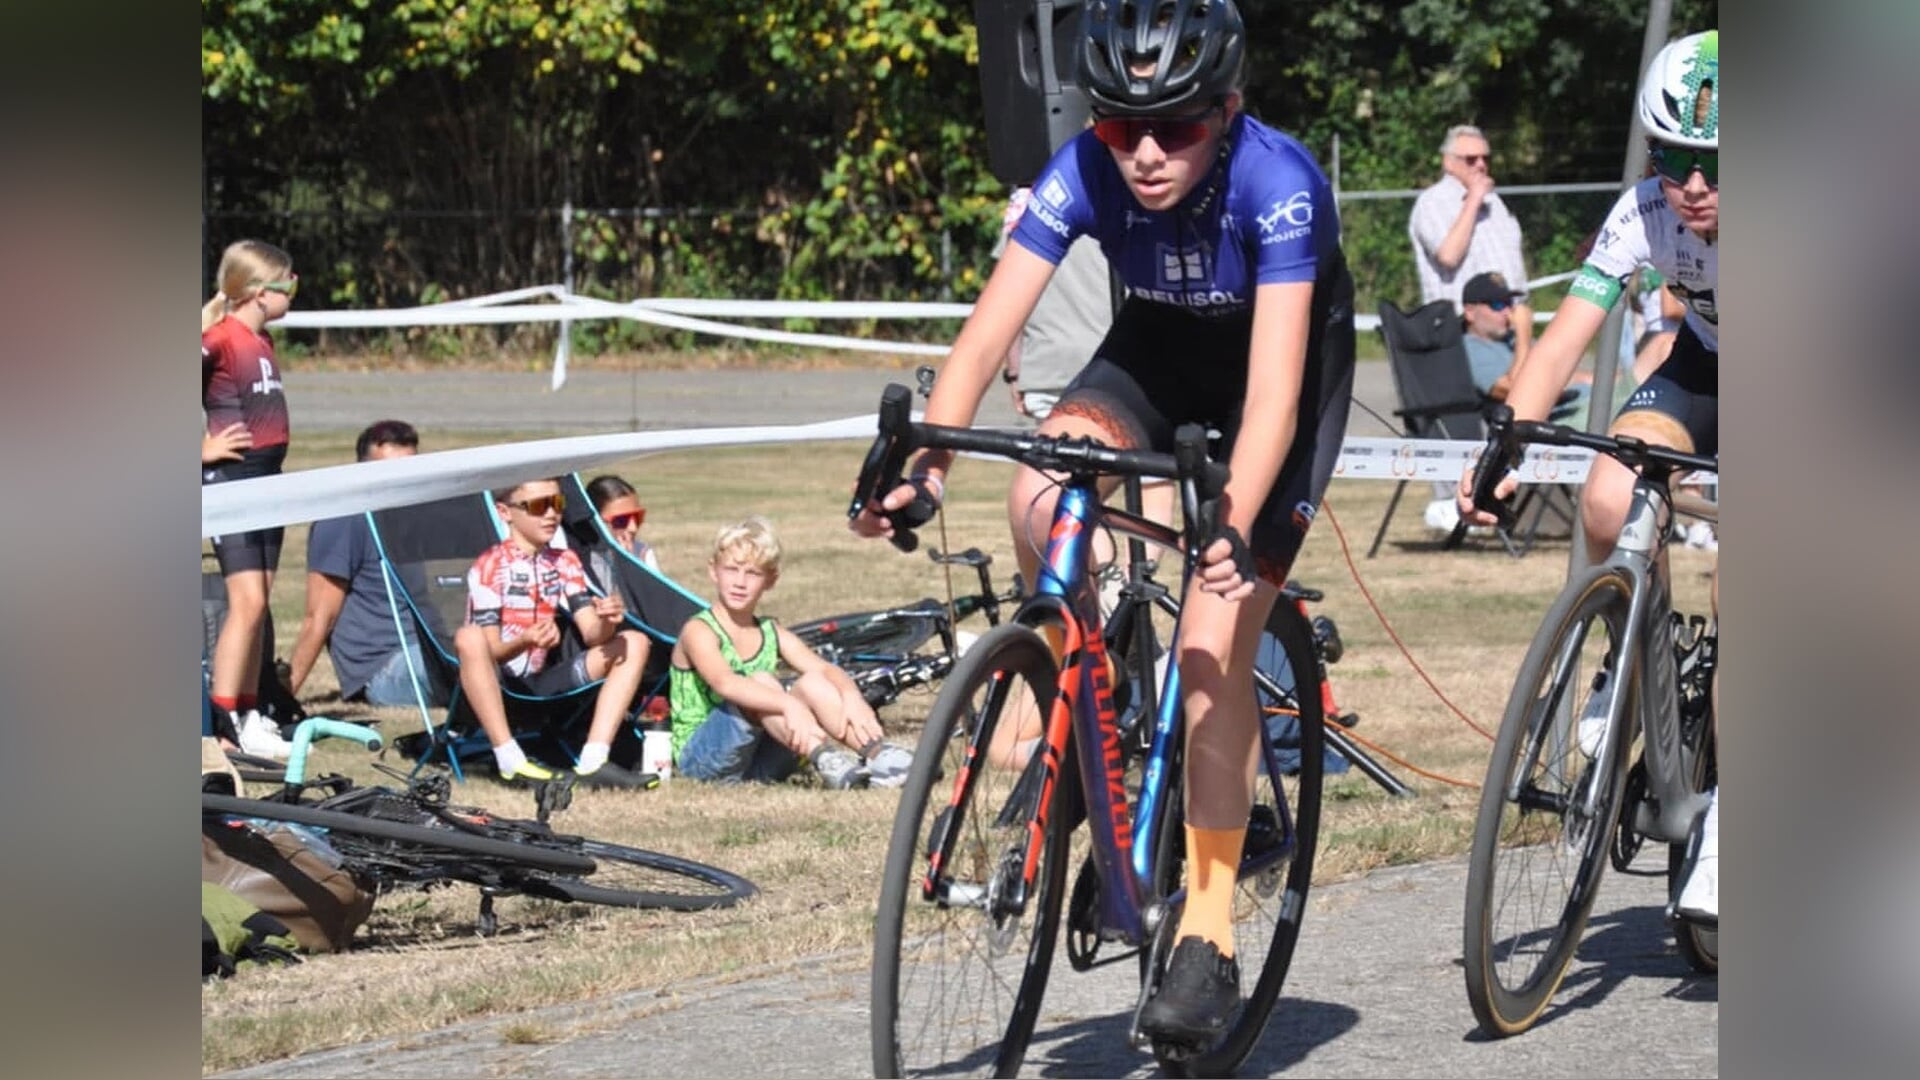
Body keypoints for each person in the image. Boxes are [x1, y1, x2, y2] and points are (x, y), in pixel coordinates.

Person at [852, 0, 1355, 1044]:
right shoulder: (1081, 167)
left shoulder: (1280, 185)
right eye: (1125, 127)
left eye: (1177, 126)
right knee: (1038, 489)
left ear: (1229, 108)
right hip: (1158, 350)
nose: (1148, 153)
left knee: (1213, 644)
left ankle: (1207, 932)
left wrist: (1231, 519)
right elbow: (991, 327)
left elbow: (1268, 401)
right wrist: (929, 458)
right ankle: (1101, 706)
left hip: (1279, 382)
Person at [1460, 30, 1719, 925]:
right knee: (1611, 487)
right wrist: (1503, 449)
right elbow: (1564, 338)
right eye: (1675, 161)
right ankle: (1624, 658)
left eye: (1717, 166)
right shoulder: (1643, 212)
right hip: (1708, 362)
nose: (1692, 187)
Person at [668, 516, 914, 790]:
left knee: (812, 683)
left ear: (770, 580)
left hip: (761, 762)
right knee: (762, 682)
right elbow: (726, 683)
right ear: (713, 571)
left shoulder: (770, 631)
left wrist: (852, 696)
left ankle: (878, 756)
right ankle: (827, 759)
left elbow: (824, 669)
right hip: (704, 762)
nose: (740, 582)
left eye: (752, 573)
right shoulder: (699, 630)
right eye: (732, 569)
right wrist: (788, 704)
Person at [455, 477, 654, 789]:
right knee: (469, 637)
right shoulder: (490, 565)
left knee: (635, 642)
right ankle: (510, 760)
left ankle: (594, 760)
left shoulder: (564, 561)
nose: (551, 514)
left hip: (541, 684)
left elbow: (591, 634)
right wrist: (525, 640)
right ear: (505, 512)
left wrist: (608, 620)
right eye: (538, 506)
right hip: (497, 682)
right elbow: (490, 649)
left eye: (557, 504)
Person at [203, 239, 300, 759]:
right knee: (248, 603)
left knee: (260, 606)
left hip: (268, 480)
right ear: (261, 292)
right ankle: (225, 719)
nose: (294, 296)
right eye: (292, 286)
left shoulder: (261, 342)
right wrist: (202, 449)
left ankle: (252, 709)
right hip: (231, 483)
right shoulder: (216, 340)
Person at [287, 420, 452, 709]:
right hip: (385, 667)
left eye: (410, 469)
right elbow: (319, 617)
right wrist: (284, 697)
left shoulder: (418, 516)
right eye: (388, 471)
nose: (400, 479)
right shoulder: (343, 519)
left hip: (431, 650)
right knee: (475, 668)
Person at [1459, 270, 1592, 430]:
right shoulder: (1469, 349)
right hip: (1540, 426)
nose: (1507, 312)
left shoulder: (1510, 340)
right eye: (1497, 305)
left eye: (1509, 303)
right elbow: (1514, 390)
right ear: (1470, 312)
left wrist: (1601, 380)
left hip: (1570, 407)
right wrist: (1524, 331)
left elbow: (1553, 372)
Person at [583, 473, 662, 578]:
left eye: (637, 517)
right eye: (622, 520)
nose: (632, 528)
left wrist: (630, 563)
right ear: (595, 521)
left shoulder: (643, 554)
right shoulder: (577, 560)